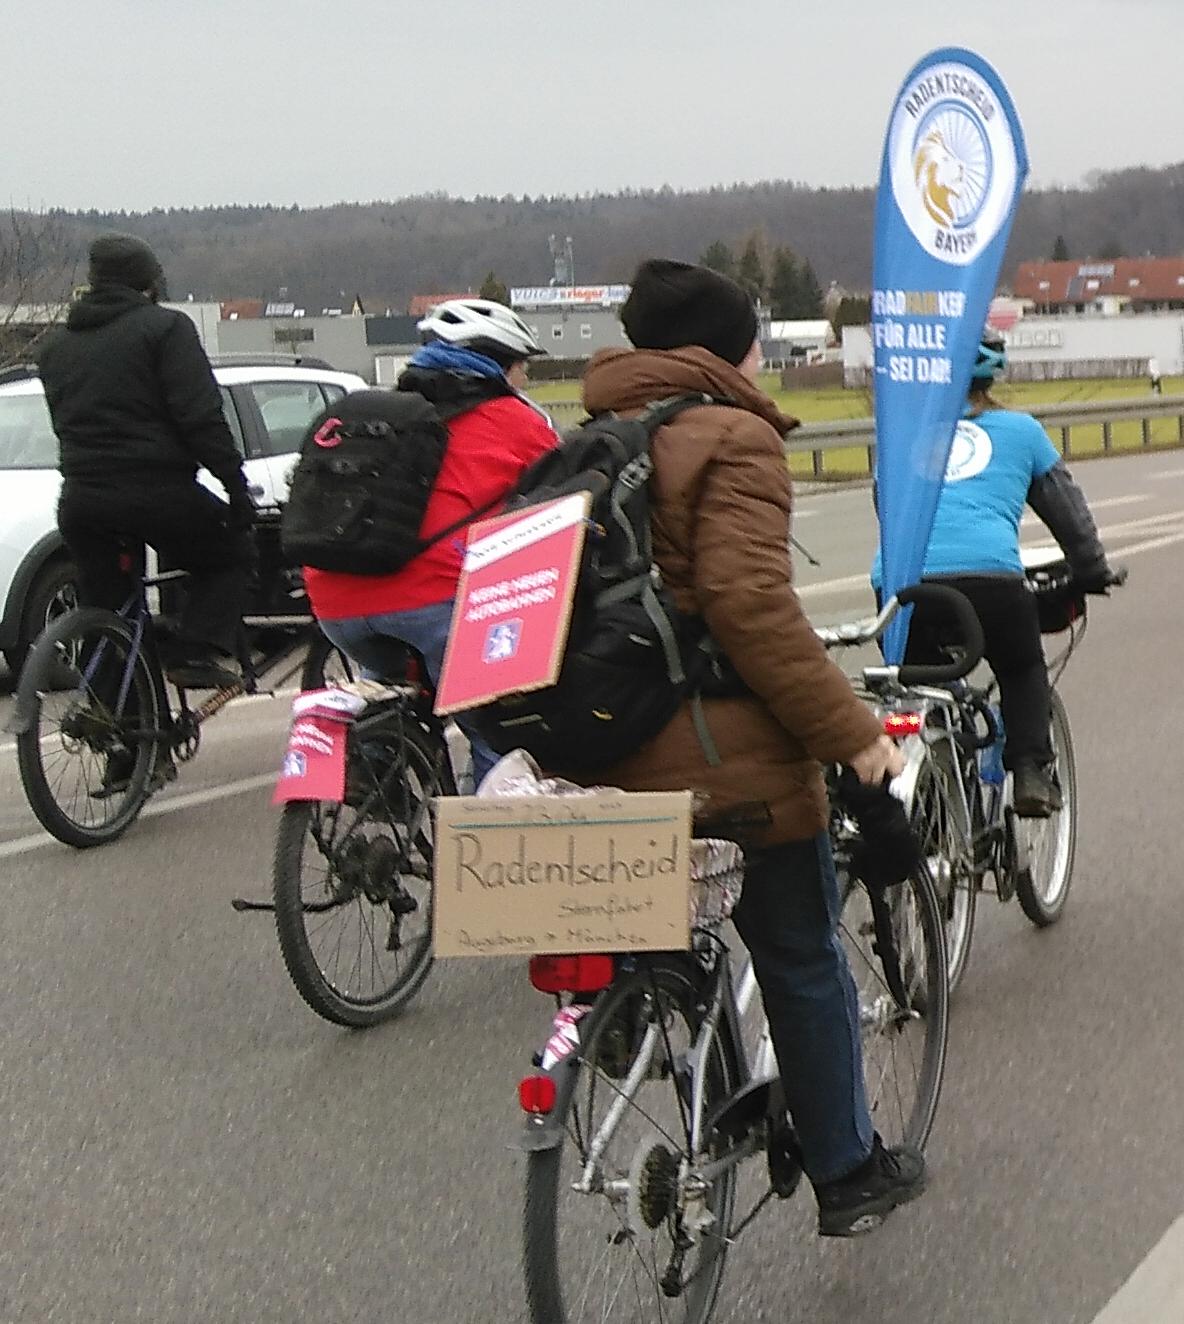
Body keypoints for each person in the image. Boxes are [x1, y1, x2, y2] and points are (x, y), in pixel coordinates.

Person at [570, 257, 922, 1235]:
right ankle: (849, 1168)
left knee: (661, 919)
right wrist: (856, 741)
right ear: (736, 348)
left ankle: (636, 1019)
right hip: (725, 766)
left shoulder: (590, 439)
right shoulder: (735, 438)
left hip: (599, 752)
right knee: (802, 951)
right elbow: (751, 608)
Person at [300, 298, 563, 783]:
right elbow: (566, 500)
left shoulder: (373, 415)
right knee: (497, 737)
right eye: (523, 366)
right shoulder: (518, 420)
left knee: (391, 683)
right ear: (500, 364)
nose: (524, 378)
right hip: (437, 601)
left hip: (335, 601)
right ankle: (484, 844)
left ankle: (380, 764)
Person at [893, 335, 1115, 816]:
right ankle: (1031, 770)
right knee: (1020, 668)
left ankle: (925, 792)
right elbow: (1069, 516)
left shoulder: (906, 434)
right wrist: (1092, 570)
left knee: (915, 691)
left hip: (901, 588)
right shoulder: (1021, 431)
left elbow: (886, 510)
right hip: (989, 581)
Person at [33, 236, 256, 691]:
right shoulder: (165, 329)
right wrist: (234, 487)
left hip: (82, 500)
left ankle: (122, 743)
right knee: (230, 555)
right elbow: (200, 418)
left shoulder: (56, 345)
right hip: (156, 493)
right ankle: (193, 652)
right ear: (148, 281)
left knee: (108, 611)